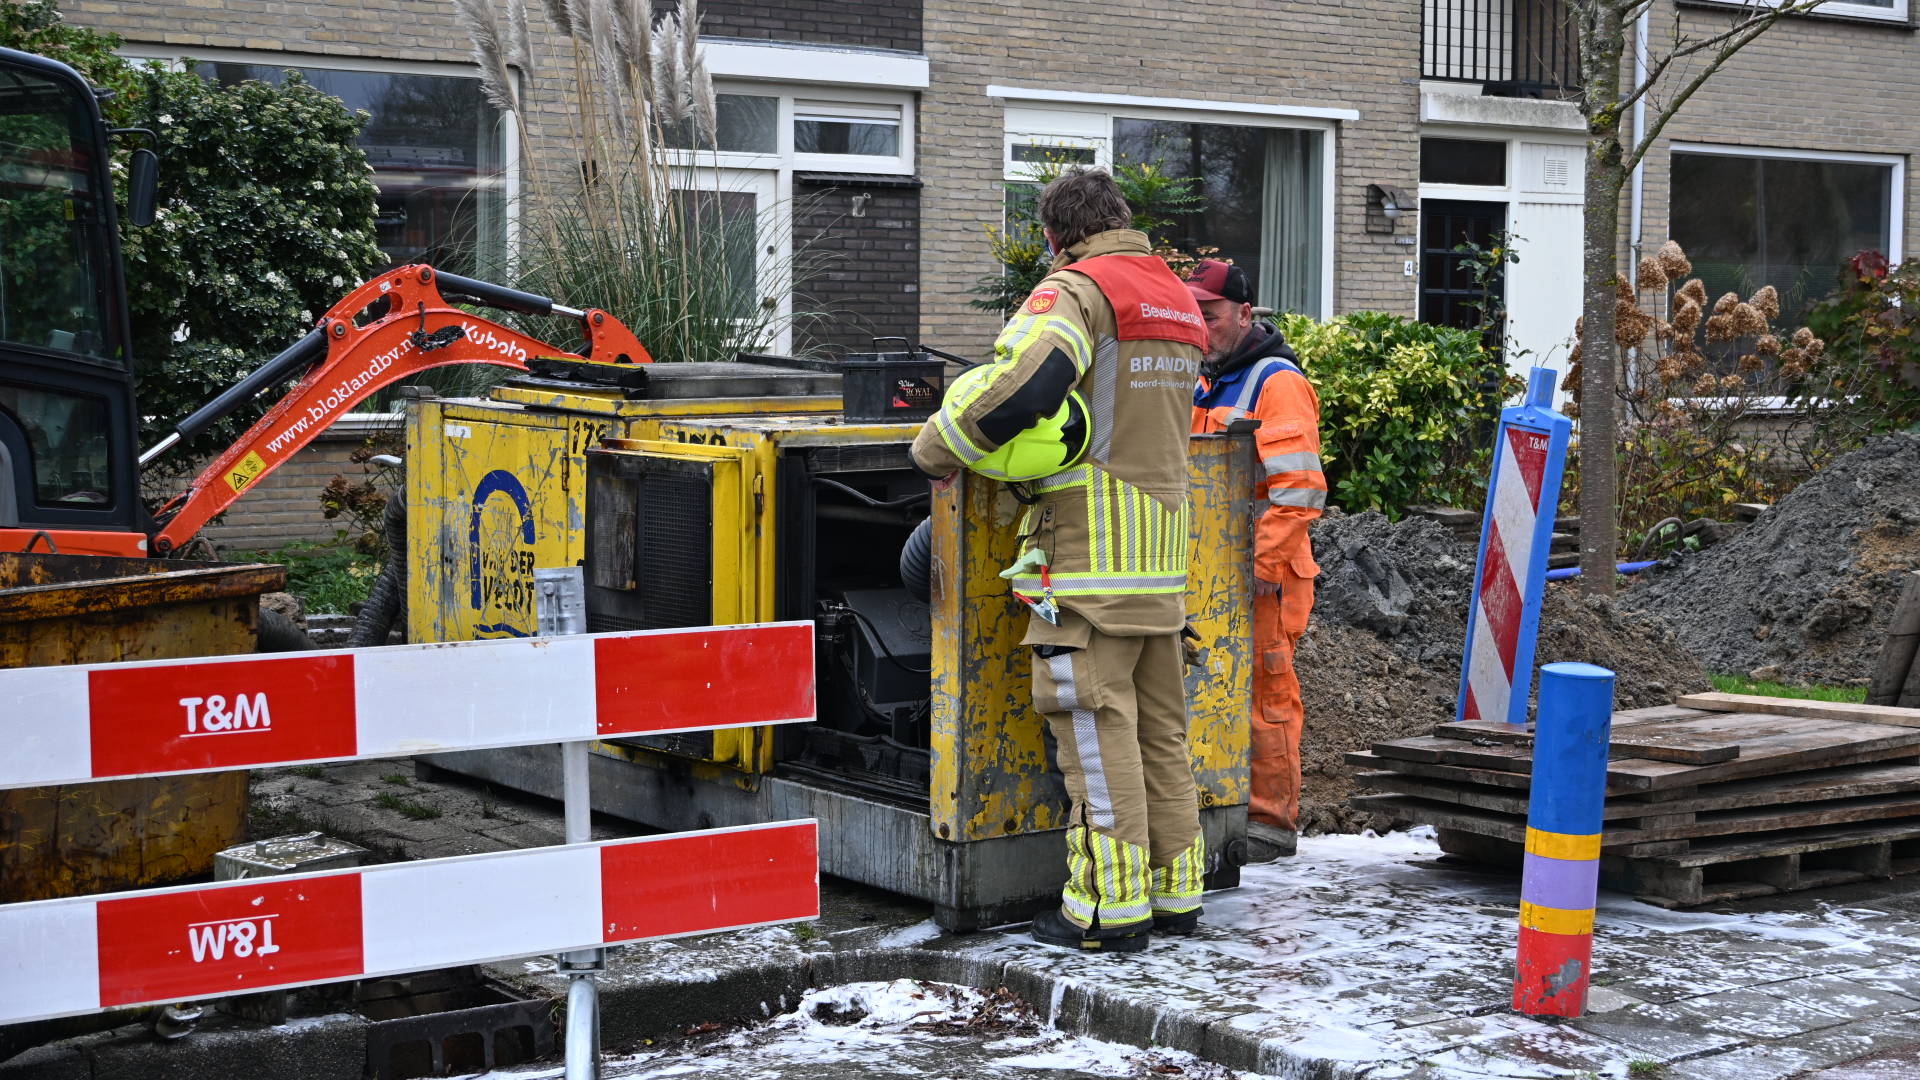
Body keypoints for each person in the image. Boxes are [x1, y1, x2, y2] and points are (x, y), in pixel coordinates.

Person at [910, 167, 1207, 953]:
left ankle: (1107, 908)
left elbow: (1030, 382)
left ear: (1053, 236)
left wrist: (938, 446)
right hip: (1160, 558)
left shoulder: (1077, 290)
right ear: (1121, 218)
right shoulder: (1175, 297)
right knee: (1159, 734)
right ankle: (1177, 893)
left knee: (1094, 729)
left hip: (1087, 556)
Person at [1186, 260, 1325, 862]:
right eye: (1193, 317)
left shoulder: (1277, 382)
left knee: (1265, 699)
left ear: (1245, 314)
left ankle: (1270, 825)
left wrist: (1261, 574)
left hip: (1266, 575)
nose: (1200, 329)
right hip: (1215, 572)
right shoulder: (1202, 379)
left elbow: (1298, 495)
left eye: (1210, 317)